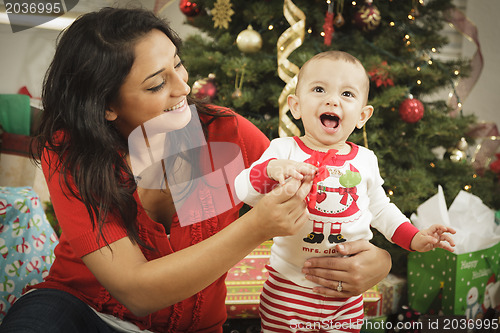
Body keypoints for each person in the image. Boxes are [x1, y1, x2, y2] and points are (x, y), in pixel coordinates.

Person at [0, 9, 393, 333]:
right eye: (157, 84)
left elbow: (337, 195)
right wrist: (255, 227)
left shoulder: (228, 134)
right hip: (80, 313)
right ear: (106, 105)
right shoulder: (71, 150)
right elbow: (136, 291)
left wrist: (380, 260)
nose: (183, 88)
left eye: (178, 65)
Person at [235, 51, 457, 332]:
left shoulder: (365, 160)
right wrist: (269, 170)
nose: (332, 100)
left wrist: (414, 237)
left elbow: (380, 209)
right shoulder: (283, 151)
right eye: (319, 89)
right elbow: (243, 191)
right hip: (289, 287)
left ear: (363, 116)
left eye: (347, 94)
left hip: (346, 295)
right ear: (296, 106)